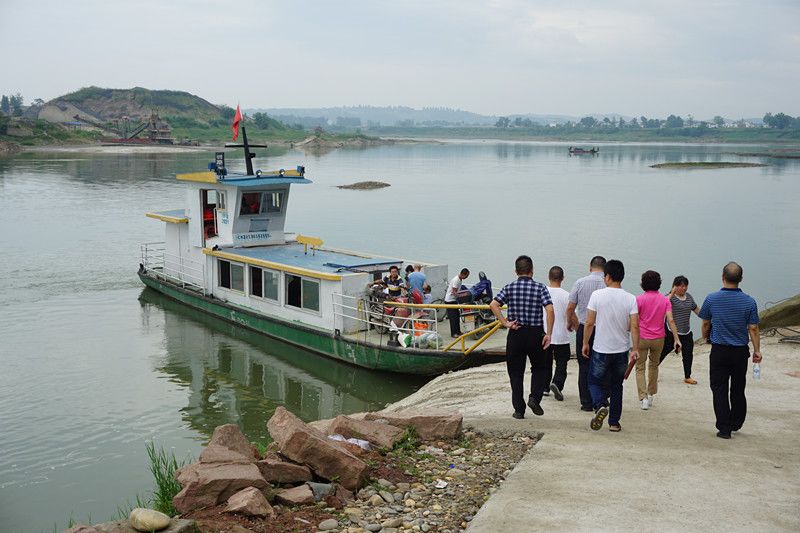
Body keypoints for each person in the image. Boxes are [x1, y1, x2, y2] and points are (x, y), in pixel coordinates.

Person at [699, 262, 761, 439]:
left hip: (719, 350)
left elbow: (705, 323)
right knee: (738, 387)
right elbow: (753, 328)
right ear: (741, 279)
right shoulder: (749, 301)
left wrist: (705, 338)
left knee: (719, 388)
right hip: (740, 351)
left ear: (722, 277)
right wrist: (757, 350)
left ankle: (724, 428)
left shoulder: (712, 299)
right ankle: (736, 422)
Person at [490, 255, 554, 419]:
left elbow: (494, 304)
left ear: (516, 271)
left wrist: (505, 323)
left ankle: (519, 410)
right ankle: (534, 398)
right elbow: (550, 310)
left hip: (516, 333)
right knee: (540, 368)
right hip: (535, 333)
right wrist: (549, 334)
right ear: (532, 271)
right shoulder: (540, 288)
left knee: (516, 372)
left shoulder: (509, 287)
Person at [582, 259, 639, 432]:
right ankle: (614, 423)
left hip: (601, 349)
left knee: (593, 381)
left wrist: (585, 342)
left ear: (607, 277)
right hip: (621, 350)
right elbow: (635, 326)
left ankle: (600, 404)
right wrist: (635, 349)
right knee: (616, 386)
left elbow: (589, 322)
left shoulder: (597, 296)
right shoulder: (630, 298)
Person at [635, 270, 681, 410]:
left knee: (640, 367)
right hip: (659, 338)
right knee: (654, 365)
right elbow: (671, 320)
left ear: (643, 284)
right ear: (659, 284)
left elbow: (634, 321)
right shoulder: (665, 300)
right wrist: (676, 339)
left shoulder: (639, 299)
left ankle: (642, 398)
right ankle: (651, 394)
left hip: (642, 337)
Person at [567, 255, 607, 411]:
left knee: (584, 365)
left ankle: (586, 402)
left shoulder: (580, 282)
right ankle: (601, 400)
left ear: (590, 267)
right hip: (603, 329)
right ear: (605, 270)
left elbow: (570, 307)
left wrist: (569, 322)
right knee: (602, 365)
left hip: (584, 327)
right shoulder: (607, 284)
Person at [659, 275, 702, 384]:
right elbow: (662, 304)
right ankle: (652, 371)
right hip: (671, 332)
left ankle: (687, 376)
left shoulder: (689, 297)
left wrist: (707, 316)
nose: (683, 288)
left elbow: (696, 309)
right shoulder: (670, 297)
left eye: (685, 286)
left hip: (686, 332)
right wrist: (672, 293)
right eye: (680, 286)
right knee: (662, 353)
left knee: (688, 354)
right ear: (675, 286)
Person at [545, 266, 571, 402]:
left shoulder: (542, 292)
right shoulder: (567, 295)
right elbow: (571, 315)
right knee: (561, 363)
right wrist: (574, 326)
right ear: (562, 278)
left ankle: (544, 387)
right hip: (562, 335)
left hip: (545, 334)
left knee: (545, 362)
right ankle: (557, 383)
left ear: (548, 277)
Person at [445, 268, 470, 338]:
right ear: (463, 274)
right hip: (450, 301)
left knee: (457, 316)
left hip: (454, 300)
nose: (467, 277)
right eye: (466, 276)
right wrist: (461, 297)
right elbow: (454, 292)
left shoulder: (460, 279)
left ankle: (458, 331)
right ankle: (454, 333)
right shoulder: (456, 280)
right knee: (453, 318)